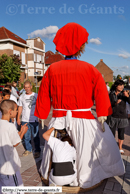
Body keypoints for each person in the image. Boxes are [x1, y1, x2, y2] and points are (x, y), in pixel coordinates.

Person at [35, 23, 125, 188]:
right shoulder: (90, 69)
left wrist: (42, 114)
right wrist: (103, 114)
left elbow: (43, 94)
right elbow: (101, 93)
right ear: (82, 45)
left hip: (59, 119)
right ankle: (84, 176)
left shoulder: (52, 69)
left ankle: (56, 174)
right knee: (87, 150)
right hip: (84, 119)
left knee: (55, 148)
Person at [0, 100, 28, 192]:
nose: (17, 112)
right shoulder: (10, 126)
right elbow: (15, 143)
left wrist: (20, 132)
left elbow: (9, 137)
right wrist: (23, 132)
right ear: (10, 111)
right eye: (16, 110)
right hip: (9, 168)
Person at [17, 80, 41, 158]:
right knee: (26, 136)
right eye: (25, 87)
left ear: (31, 87)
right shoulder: (22, 96)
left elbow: (39, 107)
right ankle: (28, 149)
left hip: (34, 119)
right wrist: (18, 118)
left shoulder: (36, 95)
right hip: (25, 120)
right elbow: (20, 107)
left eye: (28, 87)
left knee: (35, 136)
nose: (27, 89)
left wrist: (40, 117)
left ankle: (37, 150)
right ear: (24, 88)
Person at [107, 79, 130, 154]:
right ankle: (112, 147)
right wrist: (115, 103)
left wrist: (127, 96)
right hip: (113, 116)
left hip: (122, 117)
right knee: (111, 133)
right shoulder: (111, 94)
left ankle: (120, 148)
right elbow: (108, 104)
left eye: (123, 85)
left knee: (121, 133)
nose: (122, 87)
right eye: (120, 85)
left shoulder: (124, 94)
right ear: (116, 85)